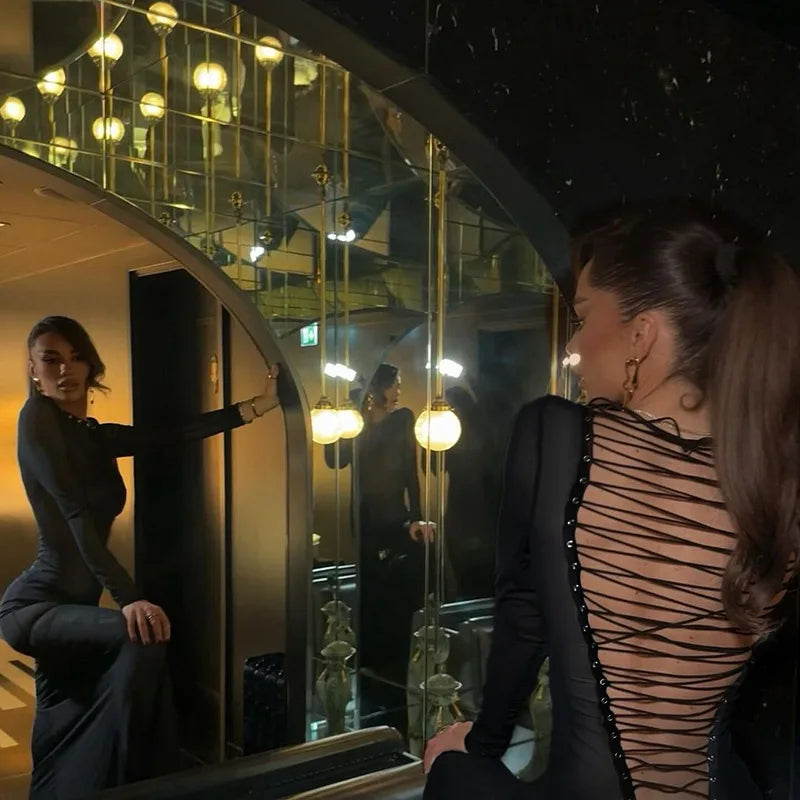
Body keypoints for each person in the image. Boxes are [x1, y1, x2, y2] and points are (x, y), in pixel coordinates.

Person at [423, 202, 800, 799]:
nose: (572, 346)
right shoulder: (776, 482)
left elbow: (524, 617)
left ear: (641, 334)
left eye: (581, 317)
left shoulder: (557, 435)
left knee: (447, 764)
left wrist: (474, 749)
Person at [0, 316, 281, 799]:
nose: (65, 370)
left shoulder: (92, 435)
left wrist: (256, 407)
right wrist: (129, 598)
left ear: (90, 365)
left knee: (64, 713)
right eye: (51, 360)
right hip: (33, 607)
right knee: (143, 635)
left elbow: (168, 434)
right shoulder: (36, 419)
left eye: (76, 357)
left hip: (77, 608)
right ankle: (136, 786)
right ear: (32, 369)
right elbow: (74, 517)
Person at [325, 364, 433, 723]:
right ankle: (368, 670)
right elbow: (335, 461)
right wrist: (342, 422)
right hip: (365, 519)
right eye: (396, 384)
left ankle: (392, 674)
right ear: (379, 387)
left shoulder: (403, 418)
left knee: (395, 592)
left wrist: (416, 515)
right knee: (369, 591)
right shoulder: (355, 419)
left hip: (395, 517)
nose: (400, 390)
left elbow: (410, 471)